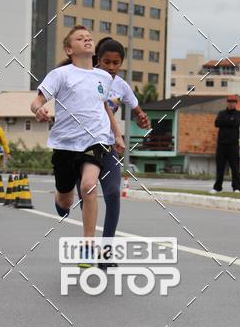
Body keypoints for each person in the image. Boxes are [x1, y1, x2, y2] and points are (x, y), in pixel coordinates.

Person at [30, 25, 124, 261]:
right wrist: (38, 110)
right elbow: (37, 101)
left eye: (89, 37)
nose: (87, 40)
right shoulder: (60, 75)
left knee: (89, 185)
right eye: (80, 38)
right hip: (65, 143)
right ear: (69, 49)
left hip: (96, 140)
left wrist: (117, 134)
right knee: (66, 201)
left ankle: (87, 246)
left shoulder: (104, 77)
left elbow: (104, 108)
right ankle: (60, 196)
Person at [91, 37, 150, 243]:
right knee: (85, 195)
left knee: (113, 193)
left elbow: (138, 111)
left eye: (116, 63)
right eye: (106, 62)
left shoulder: (121, 86)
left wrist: (142, 119)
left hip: (108, 146)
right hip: (83, 147)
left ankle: (107, 246)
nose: (111, 67)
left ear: (121, 63)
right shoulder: (86, 78)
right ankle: (88, 240)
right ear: (98, 60)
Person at [212, 95, 240, 193]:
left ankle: (236, 188)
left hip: (233, 145)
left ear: (236, 103)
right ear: (227, 103)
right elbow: (216, 123)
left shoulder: (239, 113)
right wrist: (230, 120)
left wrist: (225, 121)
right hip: (221, 144)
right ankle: (217, 188)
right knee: (220, 168)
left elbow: (236, 123)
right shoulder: (221, 113)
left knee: (235, 167)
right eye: (229, 102)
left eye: (233, 102)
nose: (231, 104)